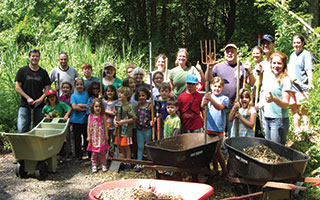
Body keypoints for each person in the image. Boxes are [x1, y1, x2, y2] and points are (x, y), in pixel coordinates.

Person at [206, 43, 255, 136]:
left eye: (232, 52)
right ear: (224, 54)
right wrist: (210, 67)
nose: (230, 54)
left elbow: (251, 83)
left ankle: (229, 149)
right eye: (227, 52)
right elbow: (208, 79)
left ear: (236, 53)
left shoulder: (241, 66)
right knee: (217, 131)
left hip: (235, 105)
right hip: (218, 104)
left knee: (232, 131)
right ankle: (218, 149)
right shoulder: (218, 66)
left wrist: (250, 71)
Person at [15, 49, 51, 133]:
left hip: (39, 105)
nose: (35, 58)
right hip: (25, 104)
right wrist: (27, 98)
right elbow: (17, 87)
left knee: (39, 129)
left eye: (37, 56)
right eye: (33, 56)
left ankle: (37, 146)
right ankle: (22, 146)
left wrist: (40, 100)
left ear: (39, 58)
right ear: (29, 57)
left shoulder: (43, 72)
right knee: (22, 128)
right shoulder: (22, 71)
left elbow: (47, 88)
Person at [261, 52, 292, 145]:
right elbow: (265, 97)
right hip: (267, 117)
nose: (276, 66)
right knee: (269, 149)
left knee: (277, 150)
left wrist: (274, 99)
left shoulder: (286, 80)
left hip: (279, 119)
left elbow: (286, 104)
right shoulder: (268, 77)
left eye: (279, 63)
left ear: (284, 65)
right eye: (274, 63)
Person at [201, 77, 228, 179]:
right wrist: (205, 102)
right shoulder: (207, 96)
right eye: (215, 86)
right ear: (211, 86)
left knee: (217, 151)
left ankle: (225, 171)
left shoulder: (224, 98)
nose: (217, 88)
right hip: (208, 127)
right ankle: (215, 170)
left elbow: (219, 107)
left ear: (222, 88)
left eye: (219, 87)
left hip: (218, 129)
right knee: (211, 152)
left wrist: (211, 99)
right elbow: (202, 107)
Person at [288, 35, 313, 133]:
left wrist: (310, 83)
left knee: (304, 111)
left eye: (298, 42)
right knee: (294, 110)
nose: (296, 45)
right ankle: (297, 130)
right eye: (294, 43)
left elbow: (309, 69)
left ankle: (307, 131)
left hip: (302, 87)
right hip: (292, 87)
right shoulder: (292, 55)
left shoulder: (306, 54)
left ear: (302, 43)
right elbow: (289, 69)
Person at [114, 86, 137, 170]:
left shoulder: (129, 106)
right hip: (118, 130)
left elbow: (134, 118)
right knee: (120, 146)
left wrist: (123, 122)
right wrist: (115, 122)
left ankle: (128, 162)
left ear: (127, 95)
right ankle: (122, 161)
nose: (119, 95)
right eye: (118, 93)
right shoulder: (118, 104)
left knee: (126, 147)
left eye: (122, 93)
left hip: (126, 131)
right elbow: (115, 115)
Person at [87, 98, 109, 173]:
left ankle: (103, 164)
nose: (98, 108)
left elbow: (105, 126)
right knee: (94, 152)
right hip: (94, 137)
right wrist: (88, 136)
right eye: (96, 106)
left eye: (99, 106)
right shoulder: (90, 116)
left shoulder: (103, 116)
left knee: (102, 152)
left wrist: (106, 135)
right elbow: (89, 127)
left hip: (101, 137)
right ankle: (94, 164)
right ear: (92, 107)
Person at [134, 86, 153, 172]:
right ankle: (139, 162)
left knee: (148, 145)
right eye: (139, 96)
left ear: (147, 96)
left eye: (143, 95)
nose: (141, 97)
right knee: (140, 146)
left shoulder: (150, 106)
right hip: (139, 129)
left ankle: (150, 160)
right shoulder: (137, 107)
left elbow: (154, 116)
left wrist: (153, 120)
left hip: (148, 128)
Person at [70, 78, 89, 161]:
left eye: (81, 84)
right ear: (75, 86)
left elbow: (90, 105)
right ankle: (79, 155)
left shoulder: (87, 94)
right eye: (77, 85)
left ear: (84, 85)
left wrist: (80, 105)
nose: (79, 86)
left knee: (86, 138)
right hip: (76, 121)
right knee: (77, 139)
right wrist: (84, 109)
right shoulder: (73, 96)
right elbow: (74, 107)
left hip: (85, 121)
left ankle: (88, 154)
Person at [102, 85, 118, 155]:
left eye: (112, 91)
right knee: (106, 140)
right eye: (108, 91)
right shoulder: (103, 101)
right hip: (105, 125)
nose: (110, 93)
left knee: (115, 141)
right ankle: (106, 155)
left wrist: (106, 111)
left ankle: (115, 154)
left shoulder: (117, 102)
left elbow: (116, 113)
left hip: (113, 125)